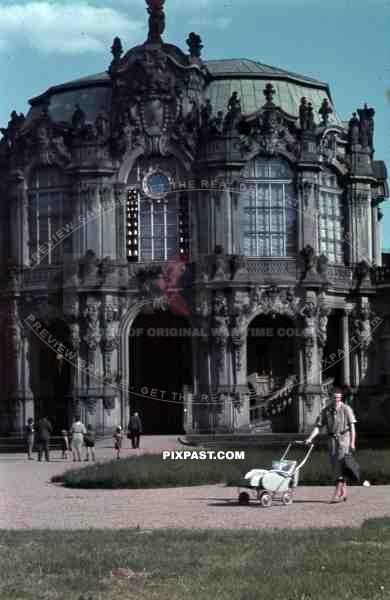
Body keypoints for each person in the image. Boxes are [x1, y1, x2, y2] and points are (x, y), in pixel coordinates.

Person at [305, 387, 357, 503]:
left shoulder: (346, 409)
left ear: (341, 397)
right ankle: (344, 492)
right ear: (330, 398)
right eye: (335, 398)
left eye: (339, 398)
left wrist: (352, 442)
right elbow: (318, 427)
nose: (337, 400)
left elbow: (353, 428)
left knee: (340, 465)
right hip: (332, 440)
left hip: (344, 439)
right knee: (336, 466)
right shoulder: (326, 411)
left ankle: (337, 494)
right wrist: (310, 438)